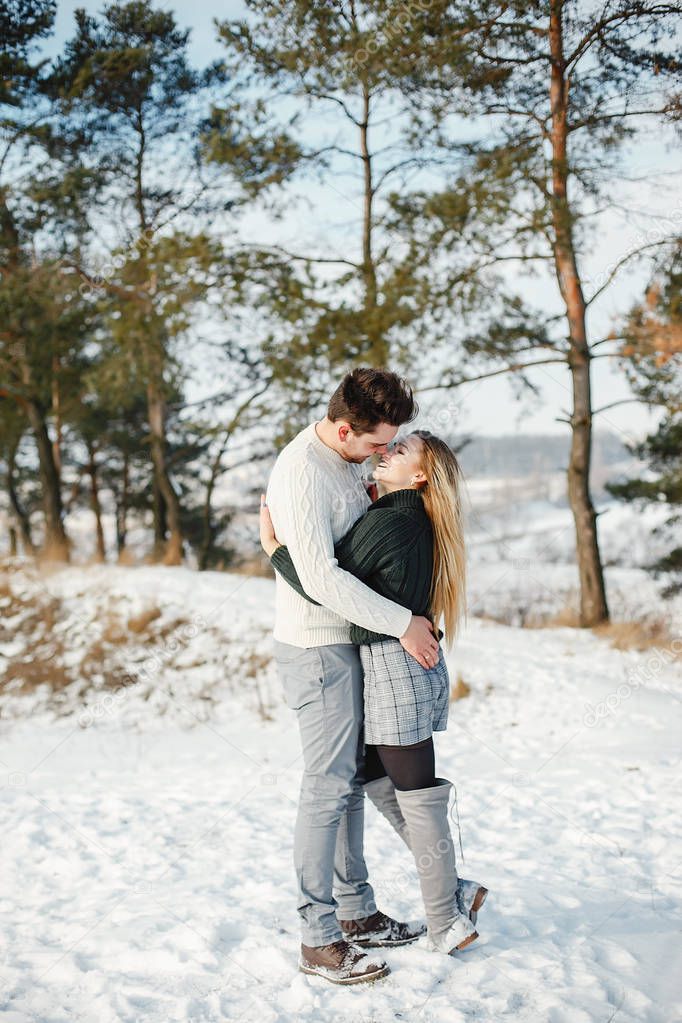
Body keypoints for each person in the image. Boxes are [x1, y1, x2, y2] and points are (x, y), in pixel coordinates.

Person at [261, 425, 489, 963]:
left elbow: (327, 578)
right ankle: (453, 892)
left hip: (393, 673)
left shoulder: (395, 520)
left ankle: (445, 921)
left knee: (417, 796)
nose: (387, 453)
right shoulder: (404, 518)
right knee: (376, 777)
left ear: (421, 475)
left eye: (401, 449)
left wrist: (275, 548)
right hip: (400, 670)